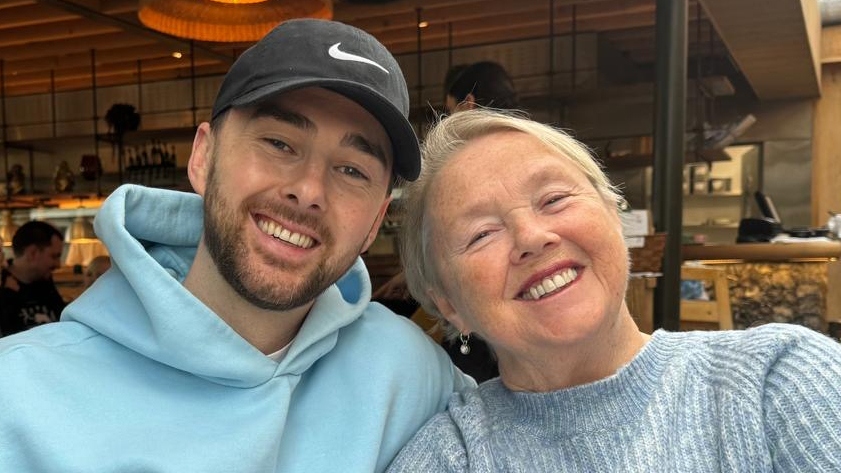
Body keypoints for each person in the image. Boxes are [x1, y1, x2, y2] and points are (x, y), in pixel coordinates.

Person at [0, 19, 474, 472]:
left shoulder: (412, 373)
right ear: (204, 157)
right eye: (279, 142)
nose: (309, 190)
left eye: (353, 170)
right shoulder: (20, 394)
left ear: (375, 221)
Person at [386, 109, 841, 472]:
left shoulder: (777, 379)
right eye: (482, 233)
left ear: (613, 214)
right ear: (449, 305)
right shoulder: (449, 457)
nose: (531, 237)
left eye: (554, 199)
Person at [375, 60, 522, 382]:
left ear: (467, 104)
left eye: (447, 111)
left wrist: (419, 273)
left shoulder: (464, 164)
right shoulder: (531, 148)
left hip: (480, 314)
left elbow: (451, 237)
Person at [0, 220, 66, 336]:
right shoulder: (3, 284)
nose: (58, 264)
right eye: (54, 256)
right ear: (33, 253)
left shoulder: (45, 283)